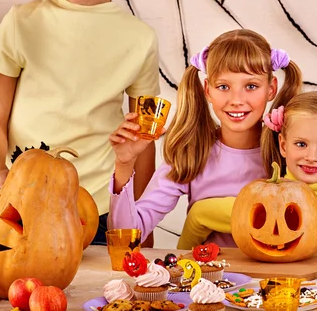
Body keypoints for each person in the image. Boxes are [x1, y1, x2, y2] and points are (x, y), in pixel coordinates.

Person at [0, 0, 160, 245]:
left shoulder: (140, 39)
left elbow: (144, 139)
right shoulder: (21, 22)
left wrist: (144, 220)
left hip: (96, 211)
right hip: (19, 202)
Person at [108, 29, 302, 246]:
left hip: (276, 277)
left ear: (271, 89)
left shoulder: (290, 153)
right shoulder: (191, 154)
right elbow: (126, 238)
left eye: (251, 86)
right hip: (209, 278)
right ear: (207, 90)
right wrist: (124, 165)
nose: (236, 100)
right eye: (223, 87)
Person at [179, 90, 317, 256]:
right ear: (283, 145)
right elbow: (200, 214)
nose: (311, 156)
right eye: (301, 144)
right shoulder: (256, 203)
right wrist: (183, 262)